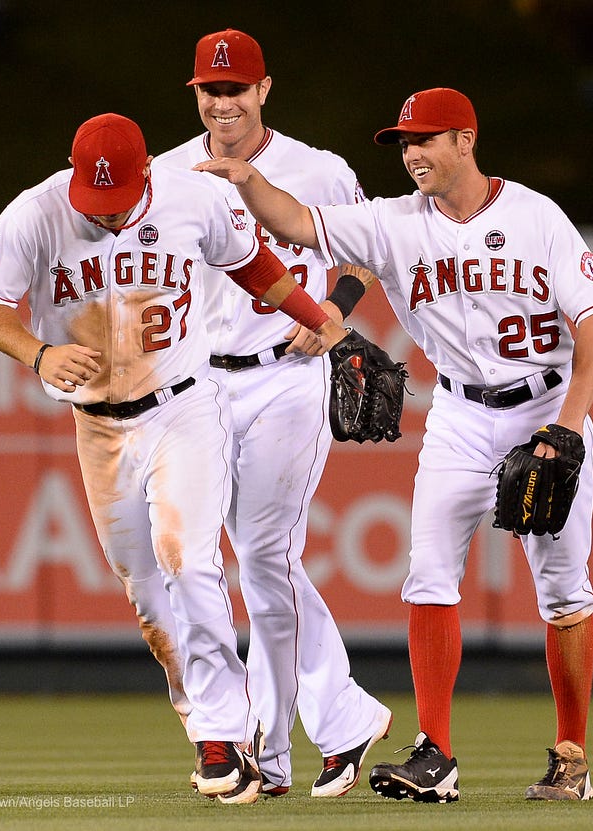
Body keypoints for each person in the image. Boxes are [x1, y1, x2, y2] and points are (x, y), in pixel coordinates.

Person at [192, 86, 593, 803]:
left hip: (544, 404)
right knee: (427, 575)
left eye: (426, 139)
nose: (413, 154)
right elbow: (298, 222)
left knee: (565, 591)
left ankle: (571, 757)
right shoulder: (393, 223)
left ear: (465, 140)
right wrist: (250, 181)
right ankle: (436, 753)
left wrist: (569, 422)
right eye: (403, 143)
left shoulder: (535, 216)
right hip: (456, 411)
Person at [0, 112, 349, 805]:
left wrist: (324, 321)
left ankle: (224, 738)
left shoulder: (188, 196)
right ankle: (209, 723)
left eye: (117, 204)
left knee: (190, 559)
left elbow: (256, 267)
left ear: (146, 172)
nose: (106, 218)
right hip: (99, 426)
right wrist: (40, 352)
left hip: (184, 405)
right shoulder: (37, 212)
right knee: (146, 593)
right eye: (94, 203)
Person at [153, 29, 392, 798]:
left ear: (264, 90)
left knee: (261, 555)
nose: (223, 101)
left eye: (237, 88)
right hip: (202, 387)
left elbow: (367, 252)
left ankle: (276, 753)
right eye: (210, 90)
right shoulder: (166, 173)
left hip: (288, 375)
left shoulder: (317, 171)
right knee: (233, 559)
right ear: (195, 94)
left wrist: (332, 306)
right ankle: (347, 716)